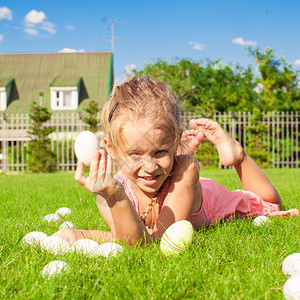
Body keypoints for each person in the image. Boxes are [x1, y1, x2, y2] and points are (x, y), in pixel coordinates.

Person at [53, 77, 299, 245]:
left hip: (211, 197)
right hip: (177, 185)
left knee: (269, 204)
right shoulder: (109, 193)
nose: (149, 167)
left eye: (160, 152)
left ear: (174, 144)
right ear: (112, 150)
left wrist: (85, 235)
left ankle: (237, 154)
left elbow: (159, 240)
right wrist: (113, 195)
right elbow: (131, 240)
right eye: (136, 154)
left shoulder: (186, 168)